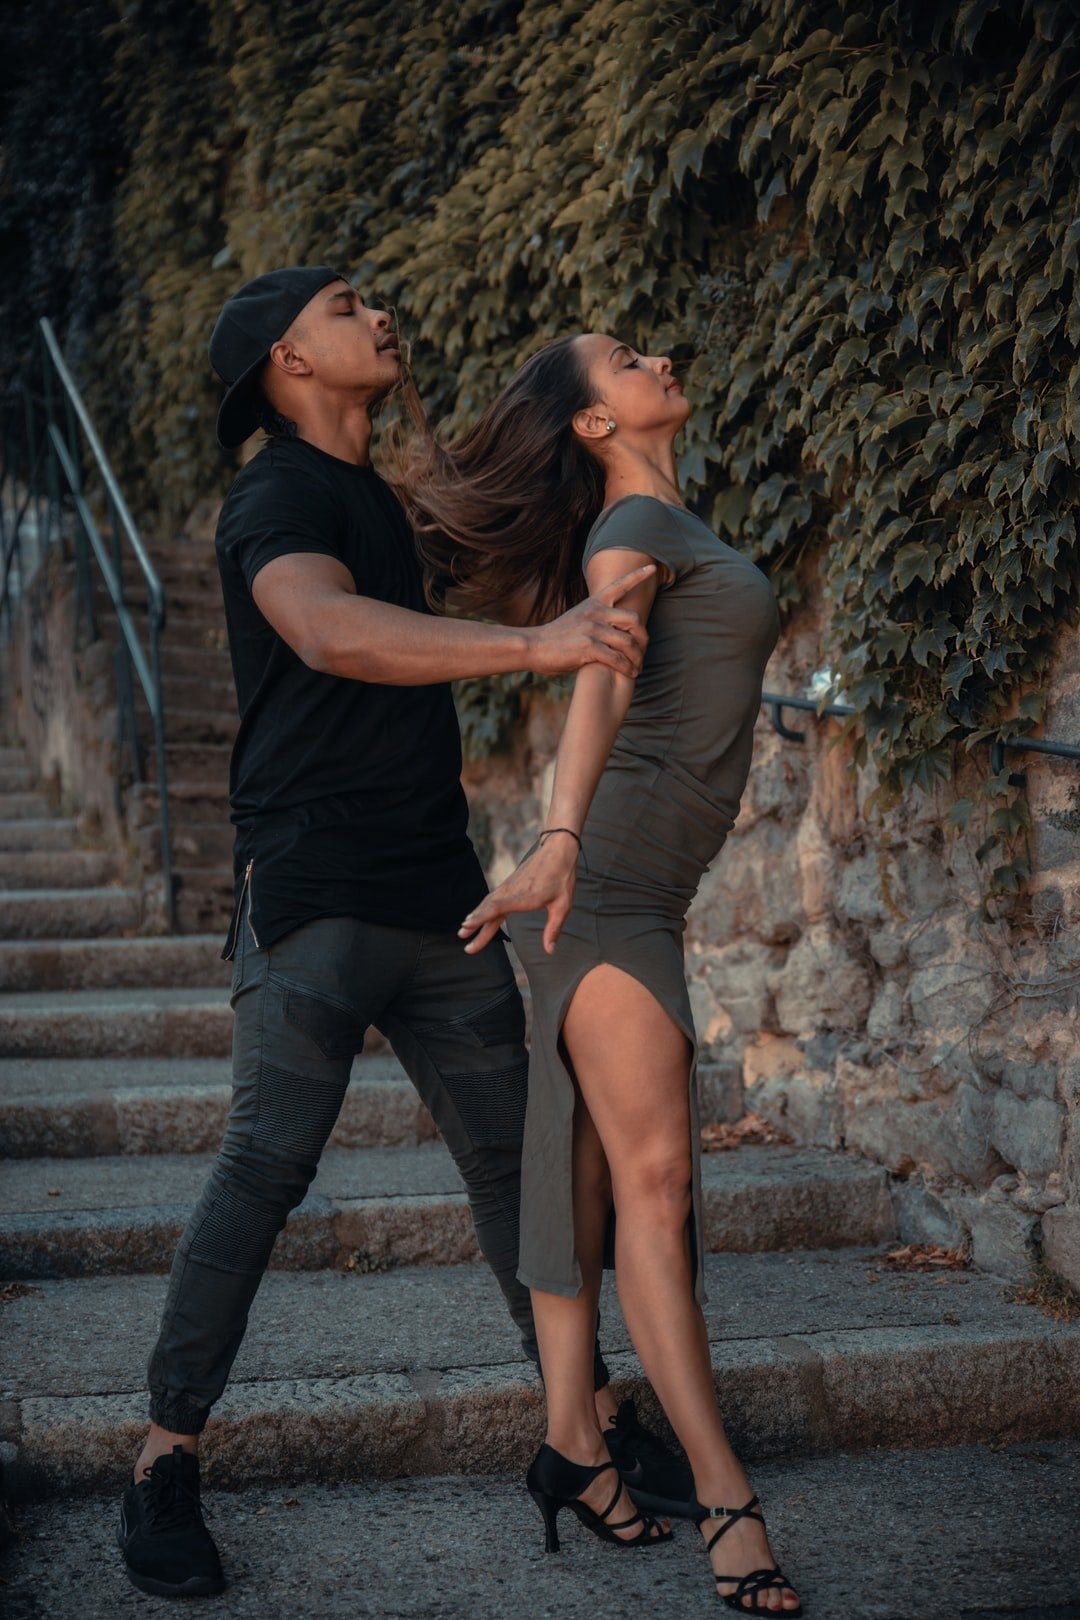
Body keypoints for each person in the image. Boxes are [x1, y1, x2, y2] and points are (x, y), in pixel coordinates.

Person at [115, 267, 694, 1600]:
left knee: (526, 1174)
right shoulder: (276, 496)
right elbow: (327, 631)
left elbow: (517, 532)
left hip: (440, 896)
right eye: (344, 306)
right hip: (312, 896)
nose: (378, 316)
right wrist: (536, 650)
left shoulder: (386, 498)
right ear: (283, 360)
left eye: (374, 300)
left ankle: (587, 1427)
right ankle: (161, 1463)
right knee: (262, 1167)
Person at [397, 333, 803, 1614]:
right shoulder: (629, 526)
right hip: (608, 888)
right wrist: (561, 839)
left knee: (586, 1178)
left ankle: (574, 1448)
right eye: (628, 358)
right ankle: (726, 1495)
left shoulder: (663, 514)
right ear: (589, 422)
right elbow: (598, 683)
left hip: (636, 891)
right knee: (658, 1182)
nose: (664, 354)